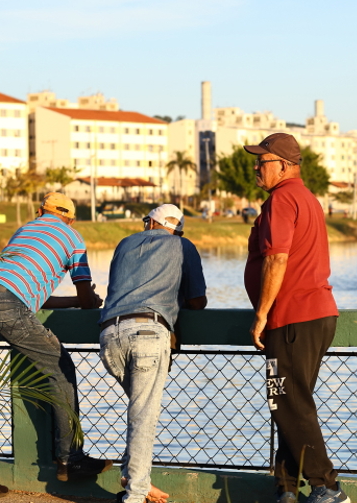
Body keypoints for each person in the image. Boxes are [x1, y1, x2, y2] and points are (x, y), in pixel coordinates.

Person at [0, 192, 110, 500]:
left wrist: (71, 301)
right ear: (70, 218)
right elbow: (85, 298)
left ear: (40, 211)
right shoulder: (72, 238)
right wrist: (90, 301)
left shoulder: (25, 229)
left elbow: (25, 292)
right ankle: (70, 458)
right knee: (61, 368)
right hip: (6, 301)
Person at [243, 133, 349, 503]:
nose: (256, 168)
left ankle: (327, 487)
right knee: (291, 403)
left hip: (292, 318)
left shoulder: (282, 199)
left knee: (287, 402)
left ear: (284, 166)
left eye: (263, 161)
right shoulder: (307, 198)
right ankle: (287, 488)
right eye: (256, 161)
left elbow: (277, 257)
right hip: (316, 315)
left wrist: (261, 314)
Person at [99, 204, 207, 503]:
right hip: (148, 333)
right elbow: (198, 302)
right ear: (176, 230)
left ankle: (136, 480)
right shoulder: (183, 246)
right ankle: (134, 496)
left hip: (109, 335)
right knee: (143, 416)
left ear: (149, 223)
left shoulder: (124, 244)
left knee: (139, 411)